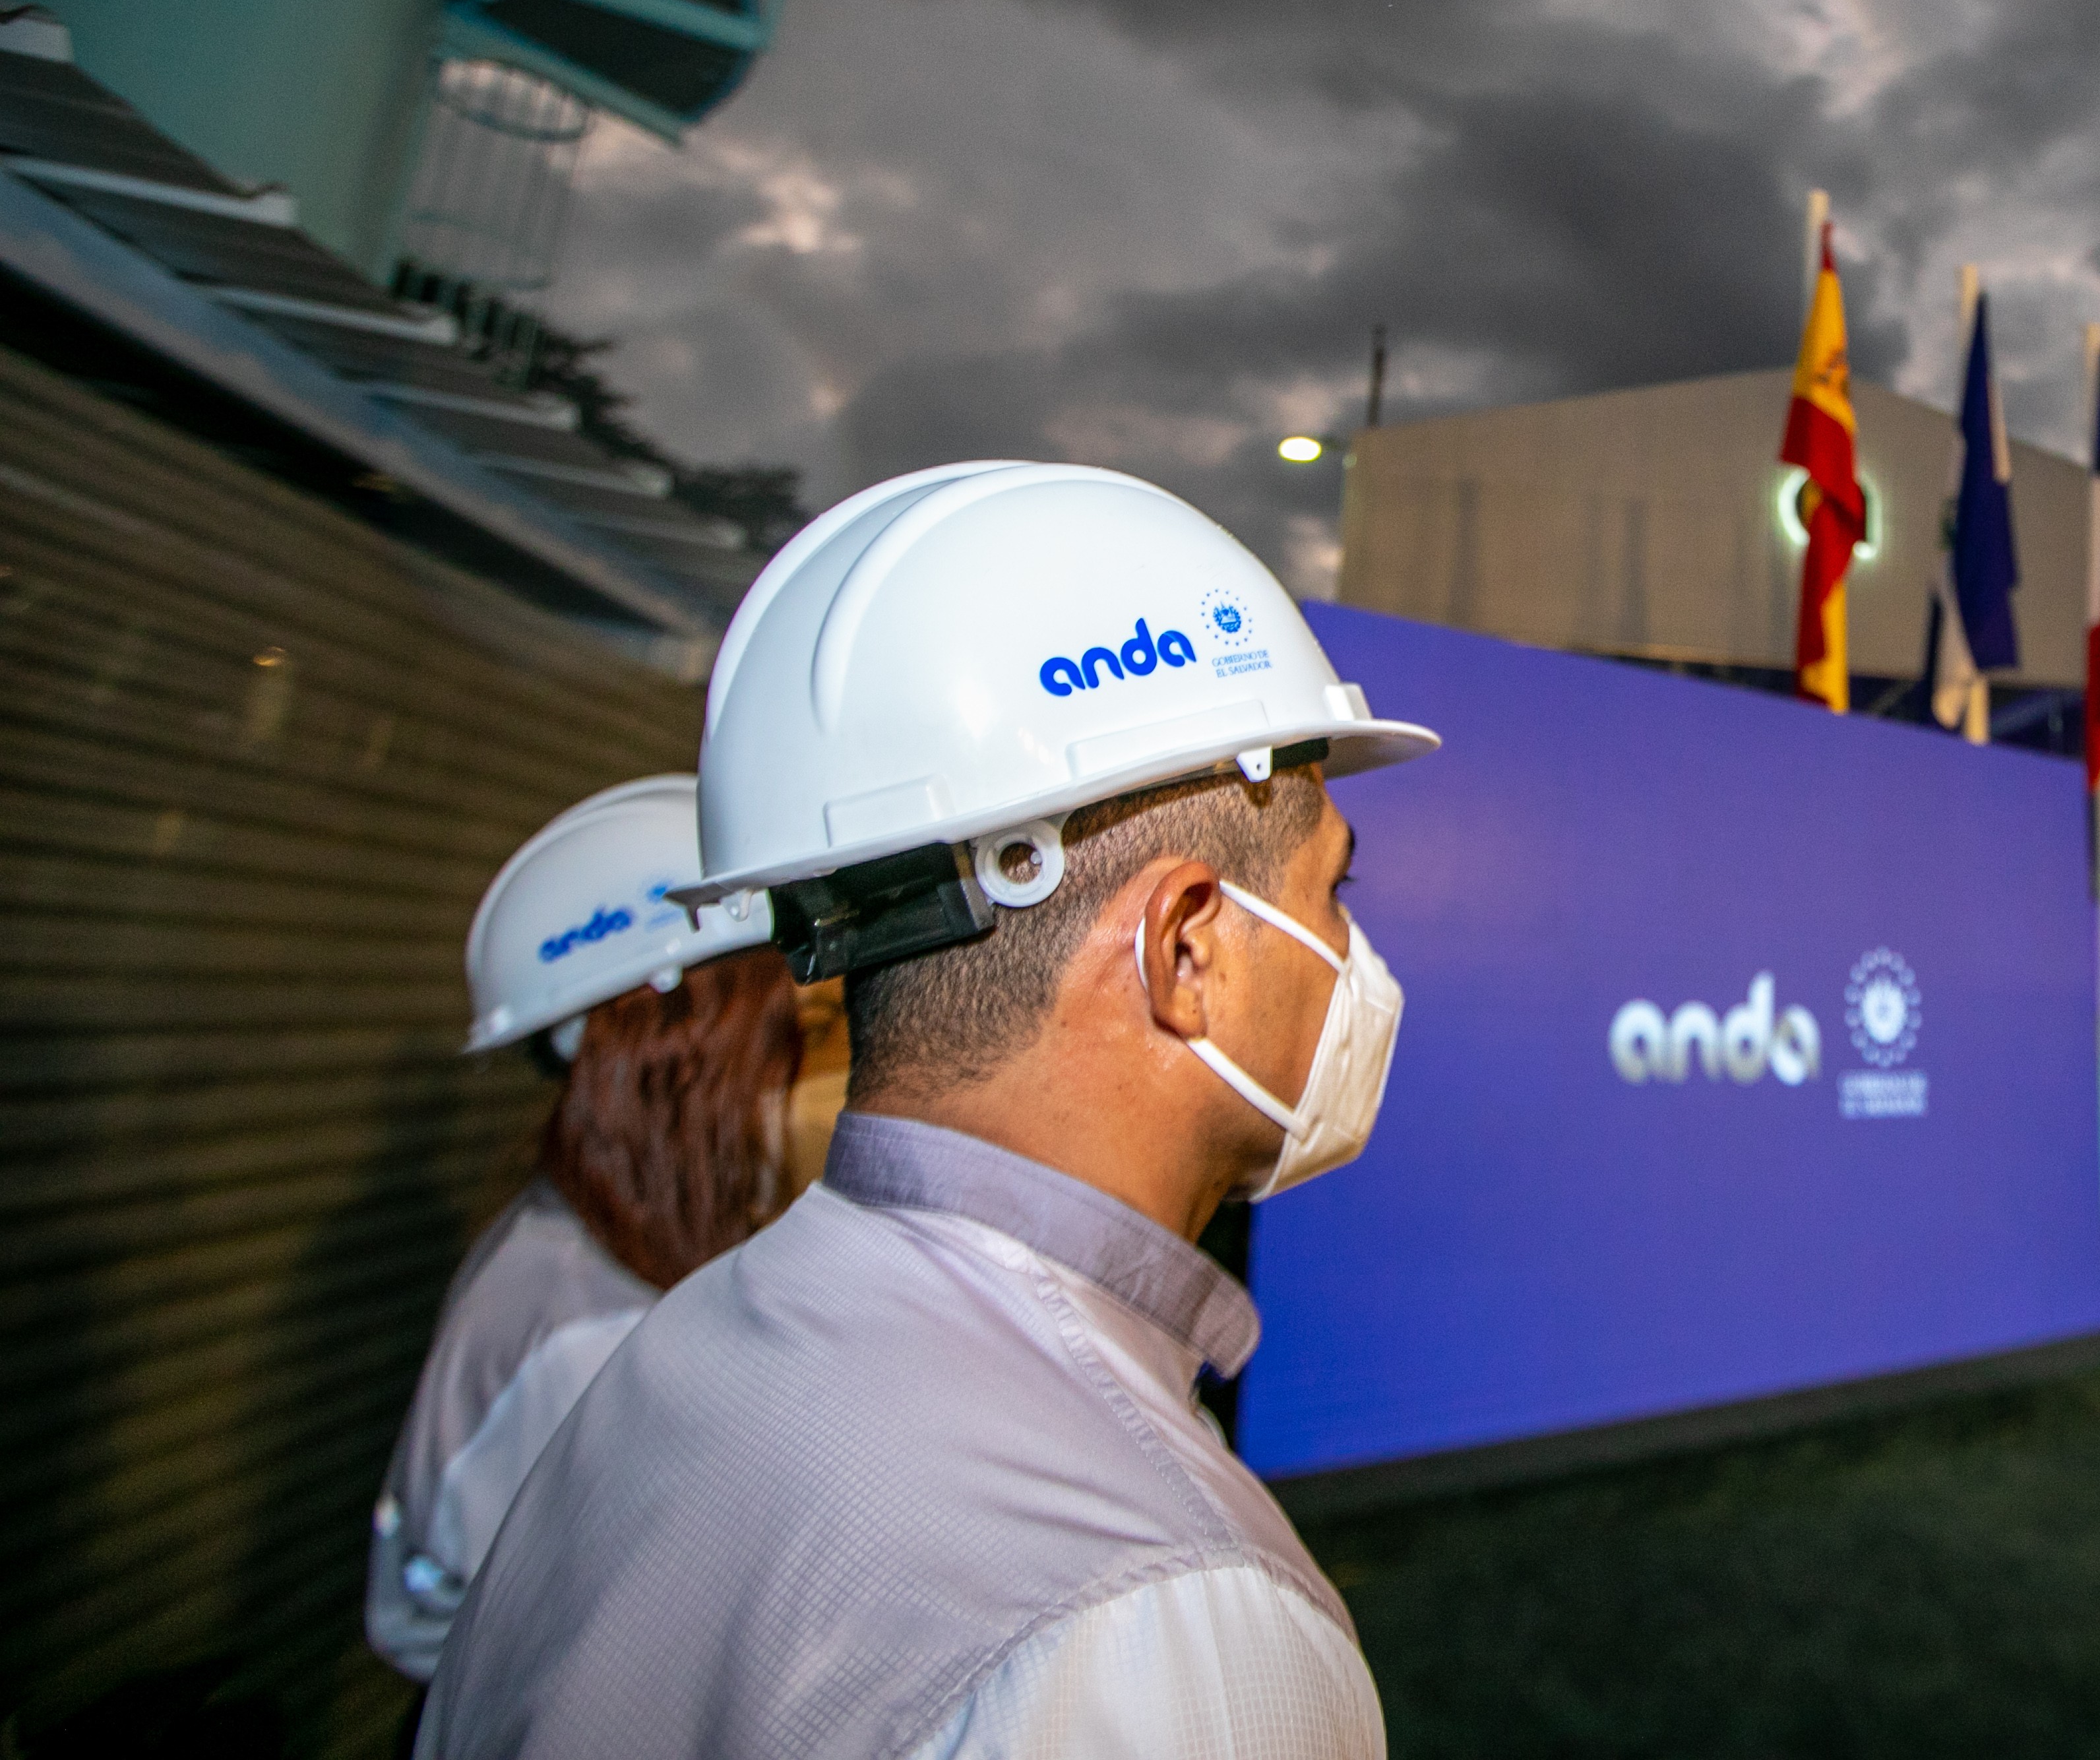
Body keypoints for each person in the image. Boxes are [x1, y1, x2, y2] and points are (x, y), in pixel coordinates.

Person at [417, 462, 1439, 1759]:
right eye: (1332, 889)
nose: (1351, 952)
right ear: (1187, 948)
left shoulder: (669, 1355)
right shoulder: (1170, 1610)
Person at [367, 776, 801, 1691]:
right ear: (670, 1056)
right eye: (788, 1042)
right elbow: (424, 1619)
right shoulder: (579, 1320)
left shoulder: (625, 1237)